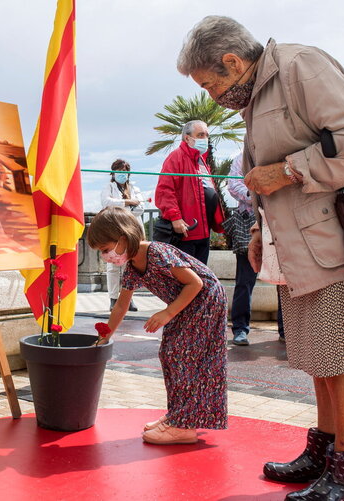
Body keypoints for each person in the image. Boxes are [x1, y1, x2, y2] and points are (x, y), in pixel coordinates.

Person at [177, 16, 344, 500]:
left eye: (209, 84)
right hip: (308, 244)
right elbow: (262, 173)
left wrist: (288, 170)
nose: (211, 96)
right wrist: (260, 229)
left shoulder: (300, 66)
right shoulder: (259, 92)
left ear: (232, 63)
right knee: (320, 356)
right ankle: (325, 451)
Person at [86, 206, 227, 445]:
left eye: (106, 249)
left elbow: (196, 284)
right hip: (187, 304)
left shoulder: (158, 253)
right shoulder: (133, 267)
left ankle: (183, 425)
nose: (106, 256)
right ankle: (178, 415)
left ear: (123, 238)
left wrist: (168, 313)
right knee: (170, 355)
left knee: (182, 356)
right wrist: (105, 336)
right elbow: (121, 306)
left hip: (205, 300)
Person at [226, 153, 285, 346]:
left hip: (277, 220)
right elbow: (233, 185)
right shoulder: (241, 158)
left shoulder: (278, 153)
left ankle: (285, 330)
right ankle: (240, 329)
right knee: (244, 280)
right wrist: (258, 195)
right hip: (248, 221)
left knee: (283, 278)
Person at [154, 120, 225, 264]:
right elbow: (165, 190)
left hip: (203, 231)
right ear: (187, 138)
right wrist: (175, 217)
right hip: (186, 232)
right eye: (200, 135)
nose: (205, 139)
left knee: (201, 273)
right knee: (186, 275)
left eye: (206, 135)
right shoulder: (176, 157)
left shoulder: (201, 160)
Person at [100, 159, 145, 311]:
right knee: (113, 266)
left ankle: (128, 299)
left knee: (130, 266)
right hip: (114, 230)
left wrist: (121, 205)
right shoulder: (108, 187)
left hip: (131, 230)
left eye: (124, 171)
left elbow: (141, 207)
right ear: (113, 173)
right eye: (119, 171)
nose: (122, 174)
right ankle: (113, 299)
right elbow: (106, 203)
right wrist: (128, 202)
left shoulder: (134, 188)